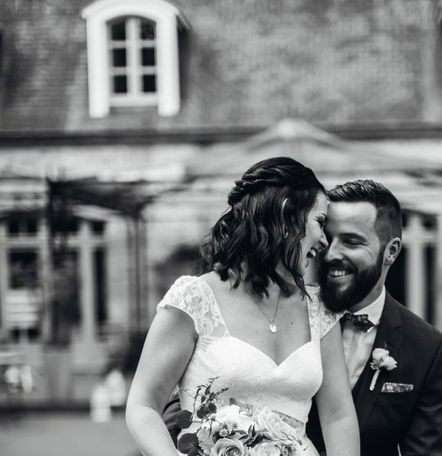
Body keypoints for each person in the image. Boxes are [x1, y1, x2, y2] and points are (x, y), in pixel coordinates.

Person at [126, 157, 359, 456]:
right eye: (320, 222)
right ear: (287, 213)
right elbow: (142, 406)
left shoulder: (320, 310)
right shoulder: (194, 299)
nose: (325, 240)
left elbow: (338, 416)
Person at [307, 179, 442, 456]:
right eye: (327, 238)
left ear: (391, 251)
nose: (331, 254)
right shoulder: (287, 316)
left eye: (351, 241)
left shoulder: (426, 346)